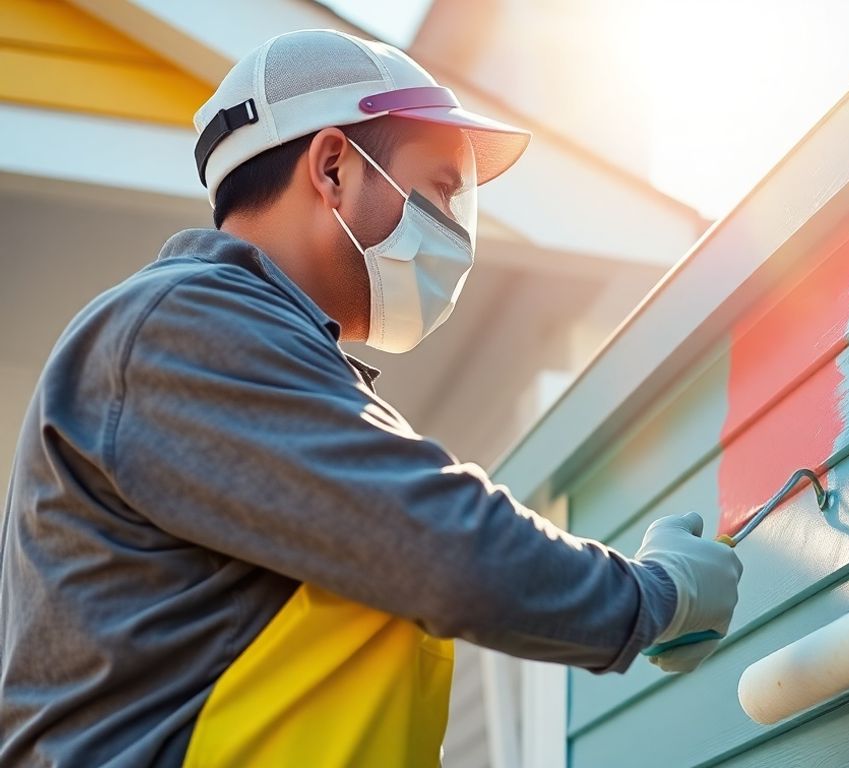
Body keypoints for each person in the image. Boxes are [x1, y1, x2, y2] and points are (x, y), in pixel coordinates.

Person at [0, 29, 741, 767]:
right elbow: (439, 543)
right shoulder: (183, 325)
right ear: (332, 168)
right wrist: (652, 597)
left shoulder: (251, 349)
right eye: (441, 188)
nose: (454, 227)